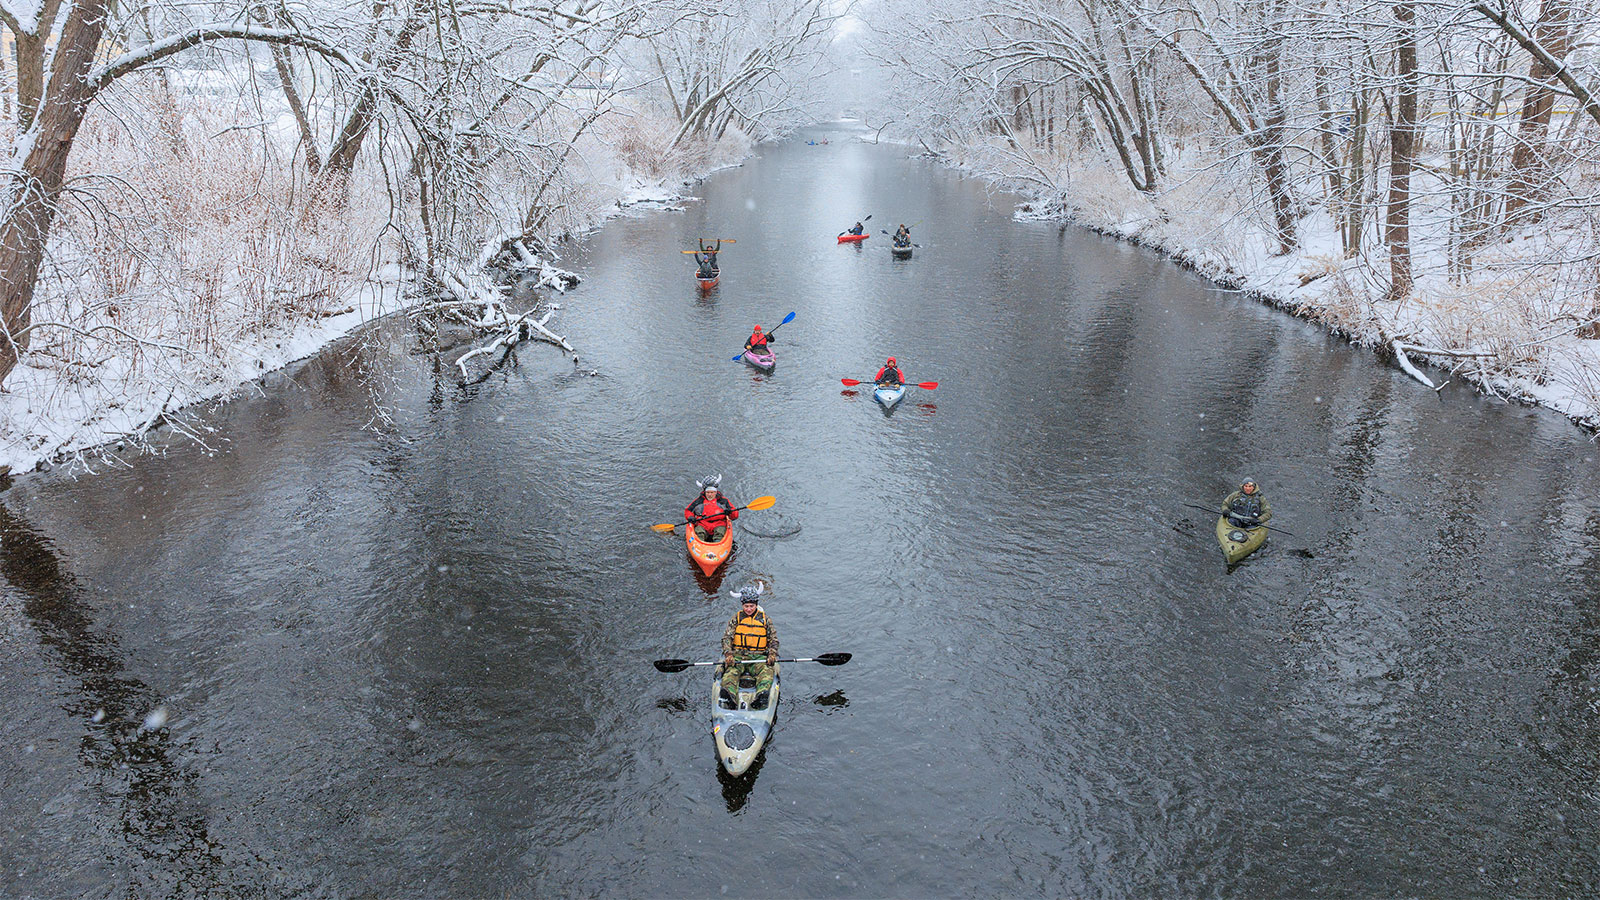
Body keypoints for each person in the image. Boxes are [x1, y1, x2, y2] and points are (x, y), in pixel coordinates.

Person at [720, 588, 778, 706]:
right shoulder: (735, 619)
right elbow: (727, 638)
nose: (749, 609)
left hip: (758, 658)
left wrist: (772, 654)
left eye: (751, 606)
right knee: (731, 673)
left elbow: (773, 640)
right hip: (738, 656)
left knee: (766, 673)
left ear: (756, 605)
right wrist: (728, 653)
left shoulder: (765, 620)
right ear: (742, 605)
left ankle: (762, 695)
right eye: (746, 606)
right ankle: (729, 696)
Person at [685, 476, 738, 542]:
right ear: (705, 492)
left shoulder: (723, 501)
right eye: (708, 492)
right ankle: (699, 543)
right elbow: (688, 511)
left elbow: (735, 516)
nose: (710, 495)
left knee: (720, 532)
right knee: (699, 532)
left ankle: (718, 543)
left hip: (719, 523)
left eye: (712, 492)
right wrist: (690, 517)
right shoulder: (698, 501)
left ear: (716, 492)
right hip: (703, 524)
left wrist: (730, 512)